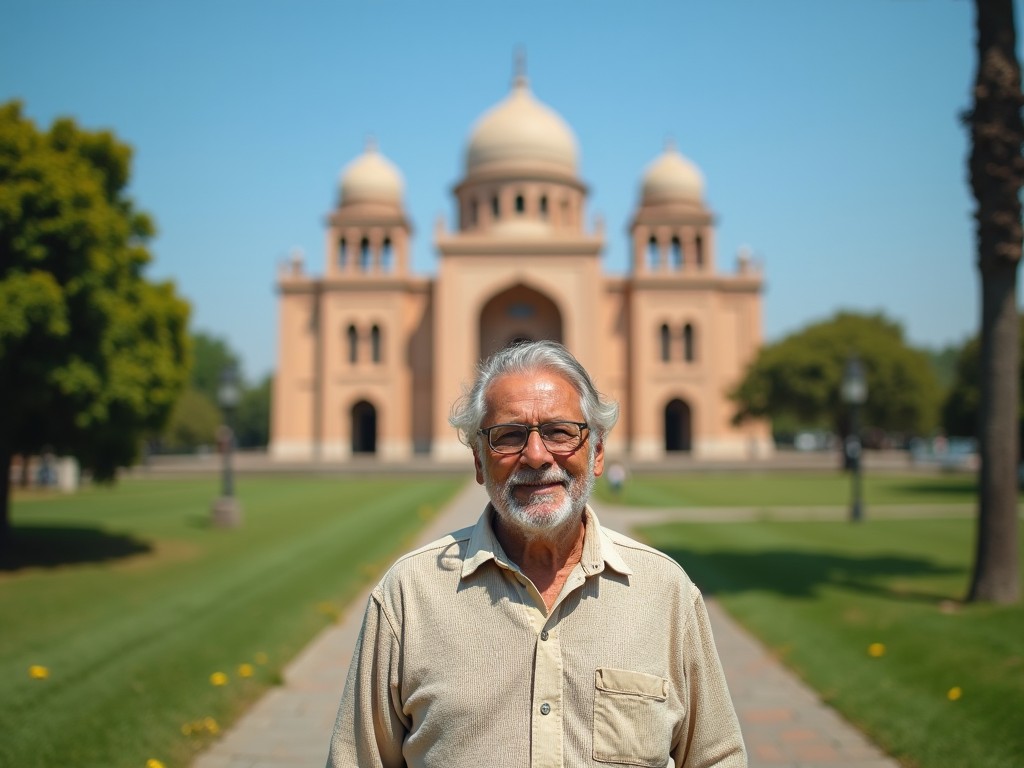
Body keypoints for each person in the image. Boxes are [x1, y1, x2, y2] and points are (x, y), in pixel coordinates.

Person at [327, 340, 746, 767]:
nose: (536, 455)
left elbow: (716, 755)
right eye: (508, 436)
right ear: (478, 461)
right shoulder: (409, 595)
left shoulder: (664, 591)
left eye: (559, 431)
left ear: (597, 452)